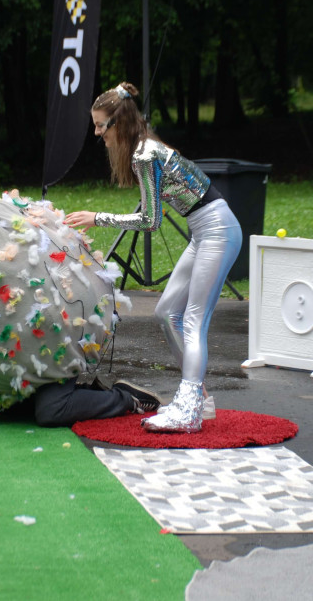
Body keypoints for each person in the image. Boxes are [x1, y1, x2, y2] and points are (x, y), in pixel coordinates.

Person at [0, 167, 162, 427]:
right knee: (15, 404)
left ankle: (124, 399)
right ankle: (88, 392)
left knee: (51, 412)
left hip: (58, 334)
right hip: (30, 343)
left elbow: (14, 268)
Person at [66, 82, 242, 434]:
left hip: (217, 230)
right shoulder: (145, 148)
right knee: (165, 313)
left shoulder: (144, 154)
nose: (98, 133)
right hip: (205, 230)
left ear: (120, 123)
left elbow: (150, 220)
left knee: (192, 320)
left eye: (102, 126)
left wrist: (97, 217)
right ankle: (199, 399)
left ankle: (190, 408)